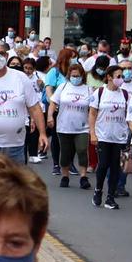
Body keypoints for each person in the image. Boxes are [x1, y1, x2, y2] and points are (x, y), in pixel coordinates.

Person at [0, 39, 49, 165]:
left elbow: (34, 107)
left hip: (16, 147)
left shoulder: (21, 78)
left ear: (7, 56)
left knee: (15, 184)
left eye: (1, 53)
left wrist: (42, 133)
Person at [89, 65, 130, 209]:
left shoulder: (125, 95)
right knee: (103, 164)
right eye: (118, 76)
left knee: (116, 167)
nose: (121, 79)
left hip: (119, 137)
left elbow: (129, 116)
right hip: (103, 136)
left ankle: (110, 197)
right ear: (109, 77)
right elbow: (92, 113)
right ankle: (98, 190)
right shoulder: (100, 93)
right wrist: (92, 133)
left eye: (122, 76)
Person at [48, 62, 92, 190]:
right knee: (65, 153)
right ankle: (65, 175)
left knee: (82, 150)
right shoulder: (63, 87)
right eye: (73, 75)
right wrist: (50, 116)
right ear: (69, 75)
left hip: (82, 127)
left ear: (82, 76)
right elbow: (53, 103)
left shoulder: (88, 89)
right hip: (64, 126)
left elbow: (93, 109)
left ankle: (83, 176)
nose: (75, 78)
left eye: (78, 75)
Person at [43, 48, 75, 174]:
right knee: (57, 137)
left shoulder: (73, 72)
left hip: (71, 109)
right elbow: (49, 90)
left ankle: (69, 163)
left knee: (72, 137)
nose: (73, 60)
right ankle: (56, 164)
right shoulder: (54, 72)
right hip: (57, 108)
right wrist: (53, 103)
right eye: (72, 57)